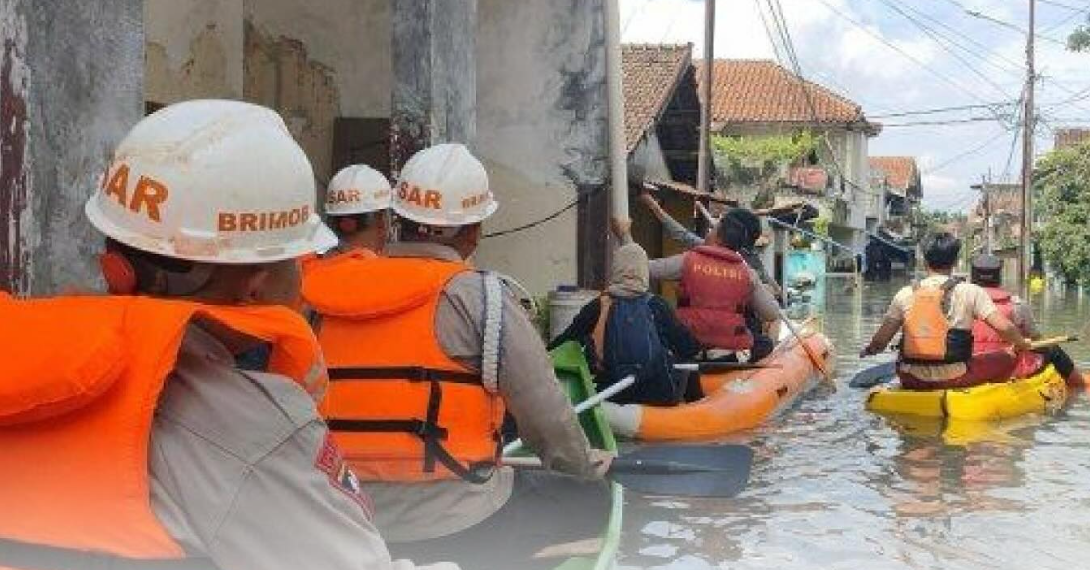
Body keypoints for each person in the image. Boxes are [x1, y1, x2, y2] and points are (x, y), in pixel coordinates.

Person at [0, 100, 453, 570]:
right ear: (257, 283)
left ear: (118, 262)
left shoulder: (23, 359)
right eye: (298, 261)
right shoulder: (245, 428)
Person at [300, 143, 610, 567]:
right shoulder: (485, 298)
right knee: (593, 501)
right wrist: (586, 469)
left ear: (397, 220)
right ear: (474, 231)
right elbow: (547, 418)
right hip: (462, 522)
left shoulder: (317, 301)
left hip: (347, 519)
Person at [861, 232, 1033, 390]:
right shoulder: (971, 291)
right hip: (954, 377)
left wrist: (869, 350)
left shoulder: (905, 294)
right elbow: (1004, 328)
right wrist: (1021, 344)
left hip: (910, 377)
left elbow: (880, 342)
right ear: (956, 261)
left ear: (924, 261)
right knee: (1009, 356)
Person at [617, 206, 783, 362]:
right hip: (728, 350)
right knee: (765, 343)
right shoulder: (749, 274)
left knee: (658, 305)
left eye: (712, 229)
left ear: (718, 236)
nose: (708, 232)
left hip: (689, 345)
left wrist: (625, 235)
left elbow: (638, 267)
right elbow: (772, 313)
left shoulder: (687, 261)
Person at [549, 241, 702, 405]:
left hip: (612, 396)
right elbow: (688, 348)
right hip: (657, 394)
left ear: (615, 269)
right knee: (688, 367)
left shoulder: (598, 306)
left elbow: (564, 343)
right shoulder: (657, 306)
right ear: (644, 271)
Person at [970, 254, 1088, 387]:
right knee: (1053, 350)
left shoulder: (957, 304)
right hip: (1006, 367)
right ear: (999, 277)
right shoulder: (1017, 304)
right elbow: (1036, 338)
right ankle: (1082, 385)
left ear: (973, 276)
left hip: (969, 367)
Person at [638, 192, 782, 298]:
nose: (710, 231)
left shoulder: (703, 257)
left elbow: (641, 268)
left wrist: (655, 209)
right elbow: (772, 304)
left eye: (715, 228)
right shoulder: (749, 267)